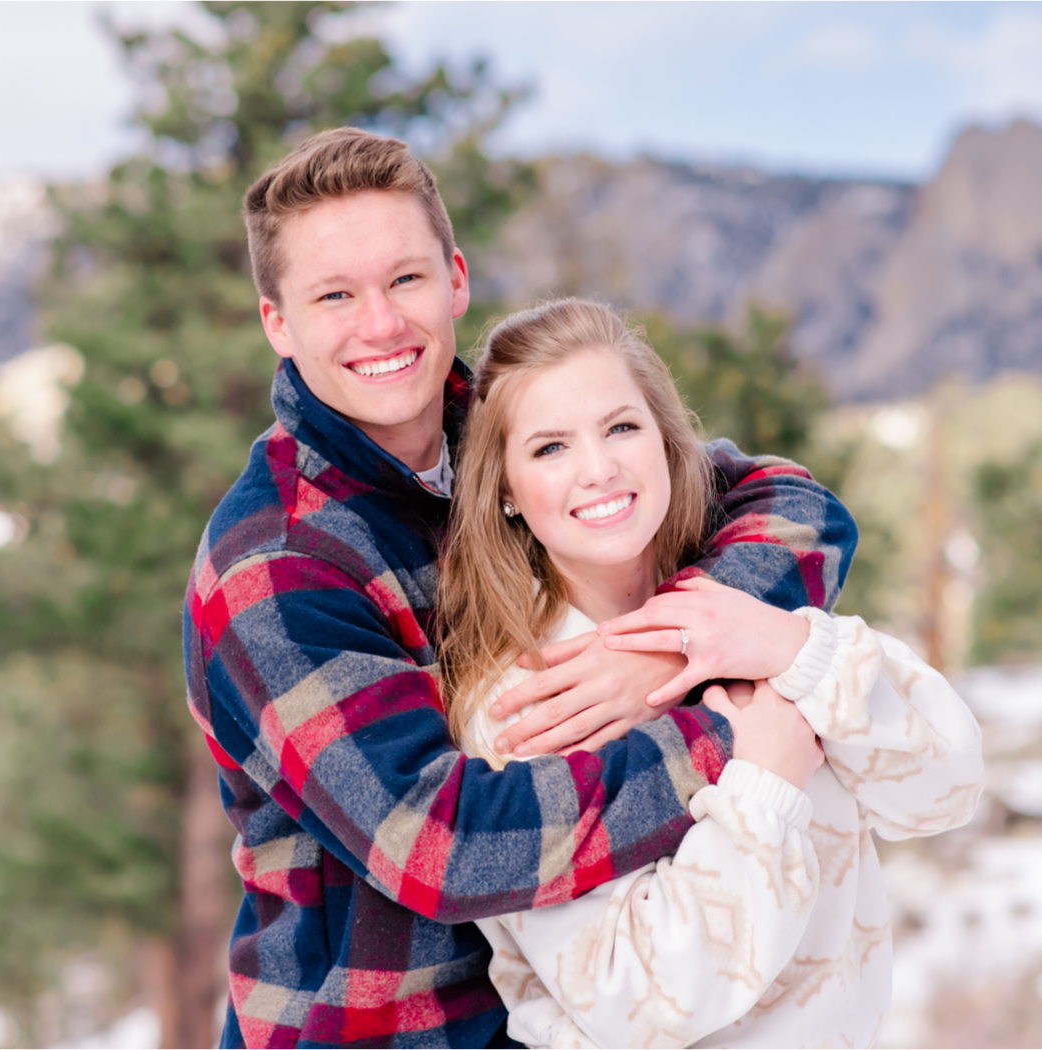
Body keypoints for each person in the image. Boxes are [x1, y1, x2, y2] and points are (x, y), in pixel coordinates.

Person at [183, 127, 859, 1048]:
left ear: (456, 279)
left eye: (406, 280)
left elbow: (792, 503)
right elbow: (436, 844)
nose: (381, 324)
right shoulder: (277, 563)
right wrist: (726, 738)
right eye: (335, 296)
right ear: (279, 324)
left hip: (560, 1017)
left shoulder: (518, 432)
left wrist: (668, 642)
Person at [437, 298, 985, 1048]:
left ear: (667, 440)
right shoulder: (528, 699)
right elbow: (638, 999)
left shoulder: (749, 607)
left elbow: (946, 786)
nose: (598, 470)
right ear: (504, 487)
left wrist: (793, 648)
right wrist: (766, 782)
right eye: (550, 448)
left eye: (621, 427)